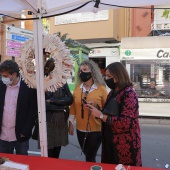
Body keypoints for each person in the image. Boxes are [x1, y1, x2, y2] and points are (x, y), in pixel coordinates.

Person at [86, 62, 142, 166]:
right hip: (109, 142)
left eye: (109, 76)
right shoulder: (112, 92)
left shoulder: (129, 93)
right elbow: (110, 113)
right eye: (105, 76)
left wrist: (100, 115)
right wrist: (96, 109)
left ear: (118, 75)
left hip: (125, 146)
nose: (106, 79)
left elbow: (126, 122)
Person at [68, 59, 108, 162]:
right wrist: (71, 122)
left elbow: (107, 109)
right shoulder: (77, 88)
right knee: (87, 154)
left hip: (96, 130)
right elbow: (73, 107)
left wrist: (96, 107)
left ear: (92, 71)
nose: (82, 72)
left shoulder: (101, 89)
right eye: (80, 70)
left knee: (90, 156)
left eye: (85, 69)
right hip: (80, 129)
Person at [0, 60, 37, 155]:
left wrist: (26, 130)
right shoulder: (1, 86)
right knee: (4, 163)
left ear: (15, 74)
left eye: (5, 76)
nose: (3, 78)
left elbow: (32, 111)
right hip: (3, 135)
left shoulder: (28, 87)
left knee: (22, 162)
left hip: (21, 135)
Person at [44, 58, 73, 158]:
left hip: (61, 119)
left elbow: (70, 99)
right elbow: (43, 104)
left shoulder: (62, 82)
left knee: (57, 150)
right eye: (53, 70)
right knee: (48, 150)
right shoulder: (43, 82)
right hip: (47, 120)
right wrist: (61, 105)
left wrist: (52, 100)